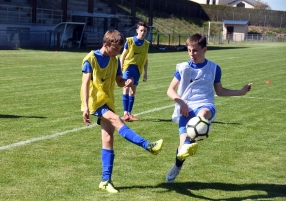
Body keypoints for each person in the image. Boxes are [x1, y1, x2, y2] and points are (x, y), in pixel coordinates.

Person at [80, 30, 164, 193]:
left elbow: (119, 81)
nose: (119, 53)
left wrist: (126, 82)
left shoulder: (114, 60)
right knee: (118, 121)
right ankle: (148, 145)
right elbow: (85, 83)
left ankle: (105, 181)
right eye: (116, 49)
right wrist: (85, 106)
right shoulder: (90, 59)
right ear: (106, 45)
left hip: (108, 100)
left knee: (108, 137)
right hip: (95, 102)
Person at [165, 33, 252, 183]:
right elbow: (170, 90)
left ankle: (189, 140)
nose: (192, 54)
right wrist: (181, 102)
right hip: (185, 107)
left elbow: (220, 91)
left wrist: (241, 92)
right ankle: (178, 165)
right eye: (189, 50)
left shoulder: (214, 68)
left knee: (203, 113)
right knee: (182, 151)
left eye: (196, 50)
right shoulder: (183, 68)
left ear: (204, 49)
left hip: (205, 104)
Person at [120, 21, 150, 121]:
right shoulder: (130, 41)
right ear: (137, 30)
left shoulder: (146, 44)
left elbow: (146, 59)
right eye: (141, 30)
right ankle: (125, 113)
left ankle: (129, 113)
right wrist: (120, 69)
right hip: (128, 67)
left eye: (145, 31)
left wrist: (145, 73)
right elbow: (123, 55)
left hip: (137, 69)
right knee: (126, 88)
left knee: (132, 92)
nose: (143, 32)